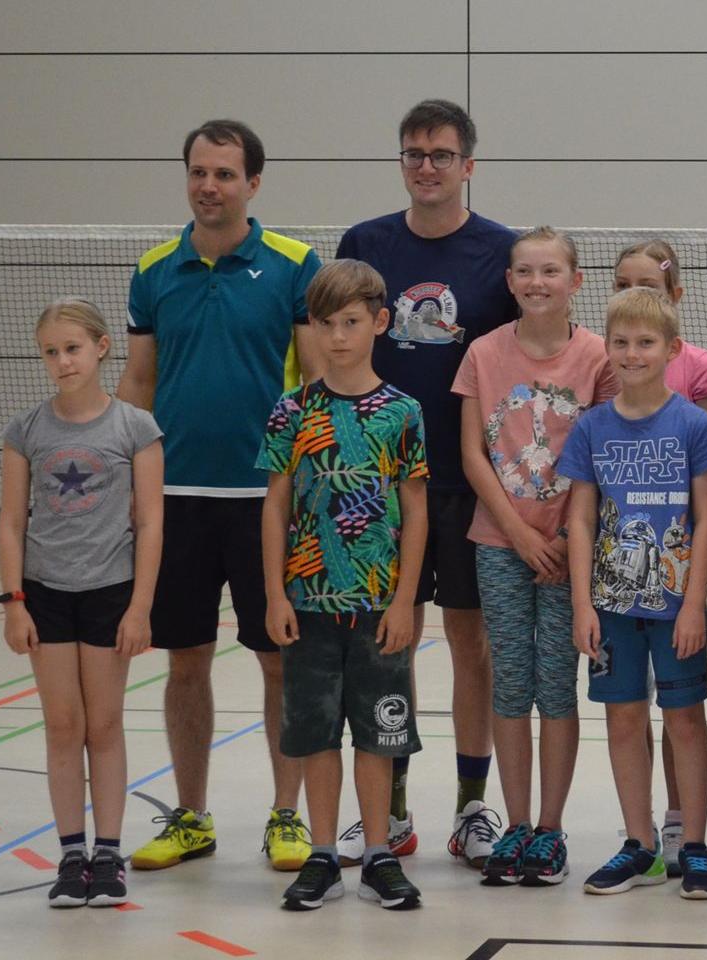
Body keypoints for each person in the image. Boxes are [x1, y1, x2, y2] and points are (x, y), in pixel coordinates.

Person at [118, 118, 321, 873]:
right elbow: (139, 380)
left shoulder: (295, 264)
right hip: (174, 496)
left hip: (268, 498)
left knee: (280, 662)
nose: (209, 186)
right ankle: (191, 817)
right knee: (186, 663)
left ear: (253, 183)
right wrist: (121, 475)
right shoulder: (153, 269)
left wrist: (311, 483)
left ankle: (286, 816)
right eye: (199, 172)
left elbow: (317, 377)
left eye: (225, 174)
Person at [337, 98, 520, 867]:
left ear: (468, 165)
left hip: (472, 480)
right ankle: (393, 808)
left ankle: (472, 805)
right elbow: (335, 346)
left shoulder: (502, 252)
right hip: (381, 487)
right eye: (414, 153)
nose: (426, 167)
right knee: (391, 644)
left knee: (471, 644)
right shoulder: (365, 243)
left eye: (441, 154)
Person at [258, 260, 430, 912]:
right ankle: (324, 854)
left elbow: (415, 511)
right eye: (325, 323)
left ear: (379, 323)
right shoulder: (292, 410)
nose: (337, 337)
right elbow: (275, 504)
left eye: (351, 322)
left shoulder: (403, 412)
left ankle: (379, 854)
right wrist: (275, 594)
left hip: (380, 606)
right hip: (307, 602)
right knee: (316, 732)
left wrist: (405, 599)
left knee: (379, 733)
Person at [454, 227, 618, 887]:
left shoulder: (599, 357)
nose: (536, 282)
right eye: (524, 271)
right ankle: (516, 822)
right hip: (501, 543)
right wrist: (520, 535)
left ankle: (550, 829)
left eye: (550, 271)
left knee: (556, 684)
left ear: (575, 282)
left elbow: (604, 454)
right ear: (510, 281)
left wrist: (565, 538)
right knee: (510, 683)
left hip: (568, 550)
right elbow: (473, 454)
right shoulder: (483, 353)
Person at [561, 287, 707, 899]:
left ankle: (695, 844)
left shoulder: (693, 425)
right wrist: (583, 603)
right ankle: (640, 844)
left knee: (685, 719)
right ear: (607, 348)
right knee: (623, 718)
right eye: (621, 342)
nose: (632, 354)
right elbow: (581, 519)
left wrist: (695, 603)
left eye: (646, 343)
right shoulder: (592, 427)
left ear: (672, 349)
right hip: (611, 607)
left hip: (675, 608)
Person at [1, 299, 164, 907]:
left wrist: (139, 608)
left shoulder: (135, 428)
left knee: (105, 724)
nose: (63, 361)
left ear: (101, 347)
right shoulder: (25, 430)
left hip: (109, 593)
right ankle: (72, 854)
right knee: (63, 725)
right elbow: (11, 523)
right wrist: (14, 602)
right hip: (45, 594)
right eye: (51, 352)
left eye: (72, 348)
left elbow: (150, 523)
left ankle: (108, 852)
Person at [613, 239, 707, 423]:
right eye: (623, 285)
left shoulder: (699, 364)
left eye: (647, 286)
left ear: (674, 294)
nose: (633, 294)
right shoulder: (605, 360)